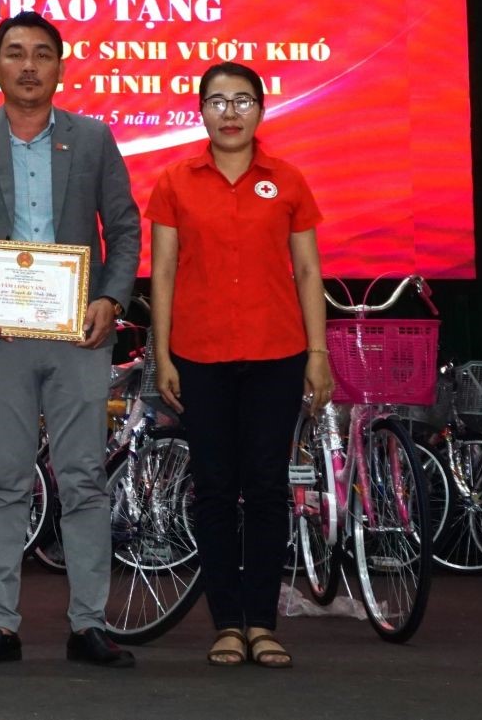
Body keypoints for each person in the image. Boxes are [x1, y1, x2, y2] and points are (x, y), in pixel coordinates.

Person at [0, 10, 141, 669]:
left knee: (82, 479)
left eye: (41, 54)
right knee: (4, 482)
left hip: (77, 332)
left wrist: (109, 297)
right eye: (15, 52)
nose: (28, 65)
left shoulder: (94, 138)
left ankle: (88, 625)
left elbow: (125, 228)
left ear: (59, 65)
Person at [148, 62, 332, 670]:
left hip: (277, 355)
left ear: (260, 109)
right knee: (217, 492)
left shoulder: (288, 180)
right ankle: (227, 622)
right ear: (200, 111)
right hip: (199, 357)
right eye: (218, 101)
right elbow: (165, 272)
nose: (230, 112)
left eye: (243, 100)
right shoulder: (175, 180)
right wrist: (162, 353)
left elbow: (308, 272)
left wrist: (317, 352)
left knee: (266, 489)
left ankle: (263, 622)